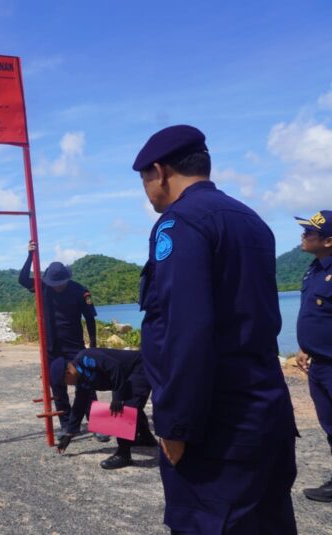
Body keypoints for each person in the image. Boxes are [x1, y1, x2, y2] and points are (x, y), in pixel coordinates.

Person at [134, 125, 298, 533]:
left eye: (145, 180)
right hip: (264, 409)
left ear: (160, 171)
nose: (148, 191)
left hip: (216, 423)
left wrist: (175, 424)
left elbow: (185, 330)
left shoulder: (181, 223)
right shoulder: (251, 219)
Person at [18, 241, 108, 443]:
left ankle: (99, 425)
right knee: (57, 385)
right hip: (52, 348)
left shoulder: (79, 291)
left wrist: (93, 347)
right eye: (54, 284)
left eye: (61, 283)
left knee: (86, 384)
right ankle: (66, 424)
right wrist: (30, 256)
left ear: (67, 279)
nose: (57, 287)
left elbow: (90, 320)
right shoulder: (43, 287)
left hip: (75, 346)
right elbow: (23, 279)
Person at [49, 348, 157, 469]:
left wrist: (117, 396)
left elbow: (115, 367)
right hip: (126, 374)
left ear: (67, 372)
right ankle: (147, 438)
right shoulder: (82, 379)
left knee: (126, 409)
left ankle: (123, 455)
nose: (68, 385)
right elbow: (79, 404)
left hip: (140, 367)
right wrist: (69, 434)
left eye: (65, 383)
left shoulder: (85, 358)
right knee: (133, 406)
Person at [294, 210, 332, 502]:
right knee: (329, 425)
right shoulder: (314, 269)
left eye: (310, 233)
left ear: (329, 240)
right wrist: (305, 346)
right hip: (318, 363)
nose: (303, 236)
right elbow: (315, 314)